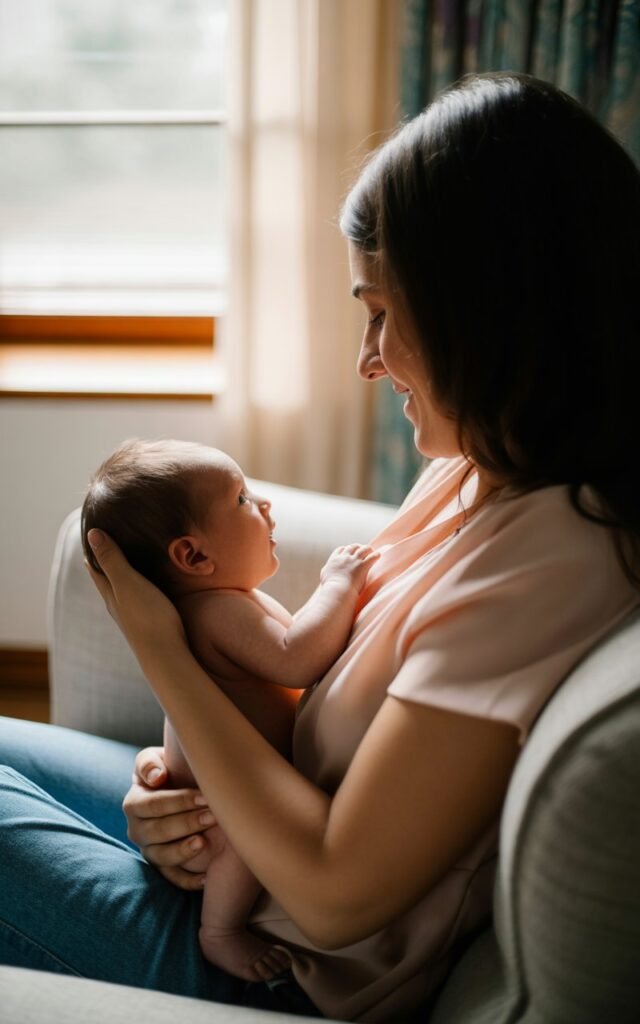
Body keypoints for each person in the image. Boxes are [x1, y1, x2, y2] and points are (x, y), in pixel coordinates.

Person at [1, 71, 639, 1022]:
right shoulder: (479, 467)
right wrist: (180, 799)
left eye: (383, 313)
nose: (367, 358)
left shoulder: (549, 562)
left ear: (486, 313)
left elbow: (338, 896)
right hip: (247, 866)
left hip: (285, 963)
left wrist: (160, 650)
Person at [81, 438, 378, 982]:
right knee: (238, 845)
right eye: (242, 499)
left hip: (214, 790)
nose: (265, 505)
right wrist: (339, 586)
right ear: (193, 555)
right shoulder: (217, 611)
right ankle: (219, 932)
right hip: (218, 808)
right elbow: (297, 659)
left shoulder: (224, 602)